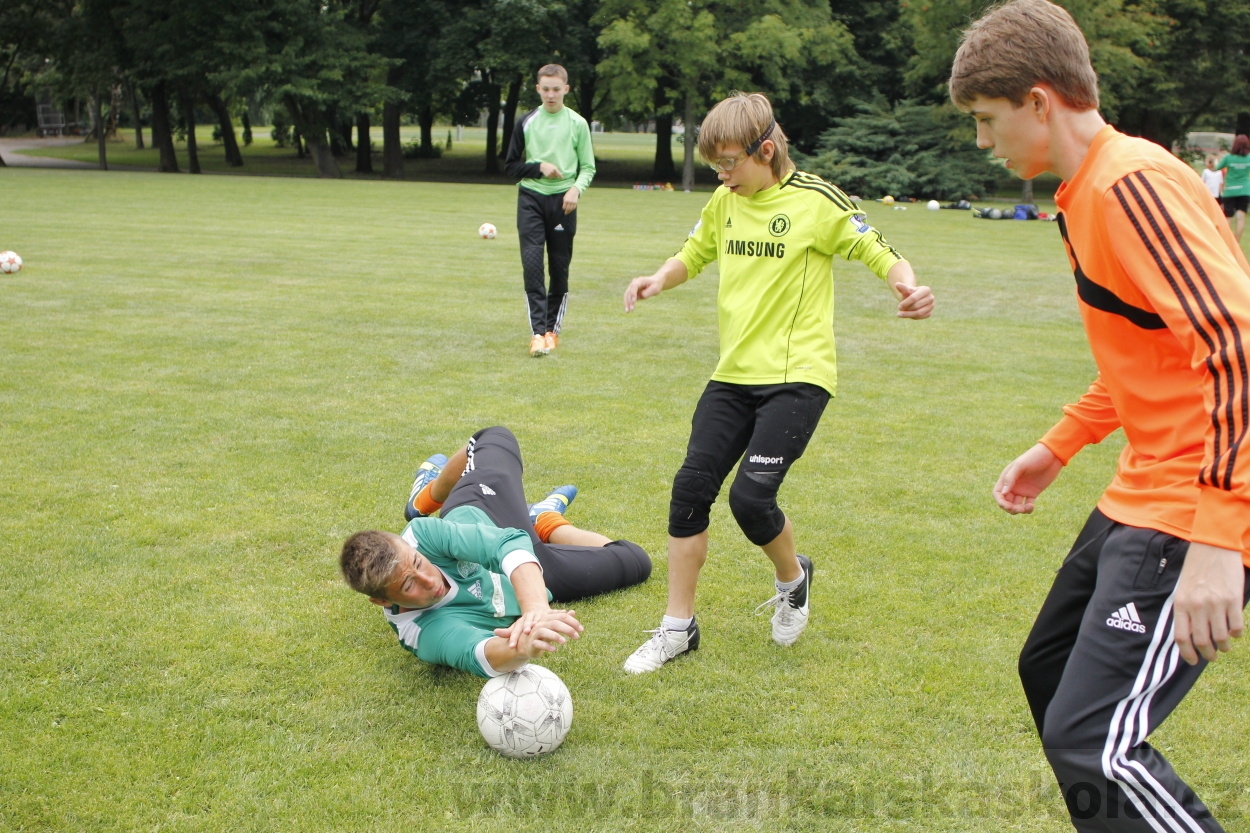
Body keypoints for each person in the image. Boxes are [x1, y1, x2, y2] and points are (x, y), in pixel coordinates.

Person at [950, 1, 1250, 830]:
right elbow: (1151, 350)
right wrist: (1061, 442)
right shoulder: (1088, 193)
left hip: (1192, 501)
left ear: (1039, 101)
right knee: (1049, 673)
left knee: (1096, 741)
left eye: (987, 119)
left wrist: (1221, 539)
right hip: (1140, 489)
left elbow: (1237, 351)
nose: (984, 141)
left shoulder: (1130, 185)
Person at [619, 92, 934, 674]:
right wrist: (658, 279)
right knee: (690, 491)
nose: (722, 175)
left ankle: (793, 578)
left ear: (766, 149)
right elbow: (696, 251)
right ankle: (676, 629)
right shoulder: (724, 200)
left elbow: (877, 248)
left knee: (750, 498)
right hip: (732, 375)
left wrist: (907, 286)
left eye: (730, 163)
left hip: (798, 378)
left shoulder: (817, 200)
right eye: (715, 165)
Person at [339, 427, 651, 677]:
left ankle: (425, 498)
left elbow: (507, 542)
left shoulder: (422, 536)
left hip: (487, 512)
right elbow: (480, 653)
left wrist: (536, 610)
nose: (429, 579)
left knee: (494, 437)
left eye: (419, 563)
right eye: (409, 585)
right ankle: (545, 520)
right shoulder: (420, 631)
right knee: (637, 561)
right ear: (381, 600)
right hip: (539, 572)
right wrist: (524, 645)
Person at [504, 64, 596, 358]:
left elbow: (589, 167)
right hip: (530, 198)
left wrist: (575, 190)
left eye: (556, 89)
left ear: (566, 90)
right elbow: (510, 166)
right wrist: (539, 167)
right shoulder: (526, 121)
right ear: (538, 89)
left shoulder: (578, 123)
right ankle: (536, 334)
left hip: (563, 203)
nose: (551, 94)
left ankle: (552, 331)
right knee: (532, 267)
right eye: (545, 89)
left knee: (559, 269)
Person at [1217, 134, 1250, 241]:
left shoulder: (1228, 157)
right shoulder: (1249, 158)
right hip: (1244, 190)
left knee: (1228, 217)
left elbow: (1217, 167)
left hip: (1230, 190)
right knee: (1240, 218)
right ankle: (1237, 243)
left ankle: (1227, 242)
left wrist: (1218, 159)